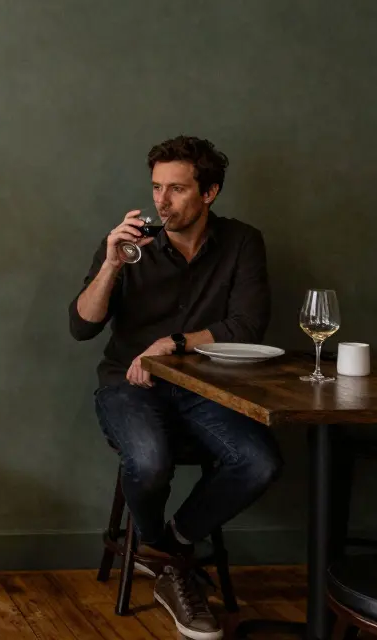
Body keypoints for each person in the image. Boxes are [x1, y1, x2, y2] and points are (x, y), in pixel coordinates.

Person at [69, 136, 282, 640]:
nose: (161, 201)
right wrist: (111, 264)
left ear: (209, 193)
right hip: (130, 387)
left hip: (206, 388)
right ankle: (171, 564)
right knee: (148, 460)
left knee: (262, 461)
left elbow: (248, 326)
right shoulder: (129, 245)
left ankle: (168, 551)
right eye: (156, 188)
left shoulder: (243, 242)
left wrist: (175, 342)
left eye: (177, 189)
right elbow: (82, 327)